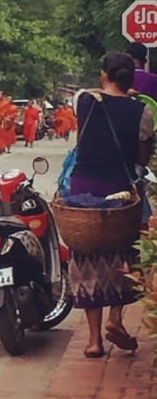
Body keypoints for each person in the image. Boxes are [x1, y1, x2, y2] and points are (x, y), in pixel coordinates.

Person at [67, 52, 154, 358]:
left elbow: (89, 92)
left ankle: (93, 341)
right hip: (120, 190)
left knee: (87, 256)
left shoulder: (84, 101)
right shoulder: (142, 112)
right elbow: (141, 159)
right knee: (123, 255)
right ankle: (115, 319)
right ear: (131, 79)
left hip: (83, 189)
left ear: (104, 75)